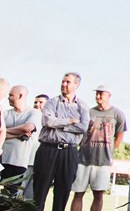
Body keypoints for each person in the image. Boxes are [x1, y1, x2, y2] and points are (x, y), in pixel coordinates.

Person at [35, 72, 89, 211]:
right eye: (63, 81)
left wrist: (59, 124)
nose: (64, 84)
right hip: (48, 149)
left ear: (76, 85)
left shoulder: (82, 106)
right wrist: (69, 121)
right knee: (40, 190)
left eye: (68, 82)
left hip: (69, 151)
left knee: (63, 190)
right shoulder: (52, 102)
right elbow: (47, 121)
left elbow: (83, 127)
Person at [69, 85, 126, 211]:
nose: (98, 96)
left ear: (109, 95)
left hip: (103, 161)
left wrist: (109, 151)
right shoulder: (88, 112)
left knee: (98, 194)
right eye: (97, 94)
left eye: (101, 94)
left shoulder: (118, 114)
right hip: (83, 159)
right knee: (78, 193)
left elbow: (119, 136)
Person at [2, 84, 42, 185]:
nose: (8, 97)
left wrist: (4, 130)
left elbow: (27, 128)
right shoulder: (5, 114)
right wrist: (19, 134)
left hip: (18, 162)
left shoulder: (34, 113)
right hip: (0, 160)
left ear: (20, 96)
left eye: (11, 95)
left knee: (10, 196)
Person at [26, 93, 50, 200]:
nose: (37, 104)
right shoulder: (28, 117)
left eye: (41, 102)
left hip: (39, 162)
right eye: (35, 102)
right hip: (25, 160)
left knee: (30, 196)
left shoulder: (49, 122)